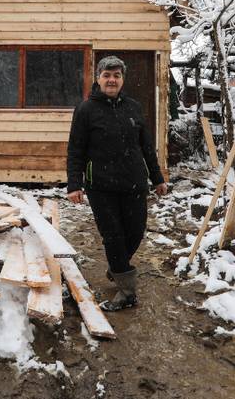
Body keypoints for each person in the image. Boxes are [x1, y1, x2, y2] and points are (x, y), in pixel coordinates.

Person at [66, 56, 167, 311]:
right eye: (106, 75)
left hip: (134, 183)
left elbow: (146, 146)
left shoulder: (133, 107)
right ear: (98, 78)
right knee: (113, 236)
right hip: (101, 186)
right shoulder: (86, 109)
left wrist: (157, 178)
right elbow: (75, 149)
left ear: (123, 79)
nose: (112, 80)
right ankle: (127, 289)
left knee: (135, 232)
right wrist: (74, 184)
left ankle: (118, 267)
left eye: (117, 76)